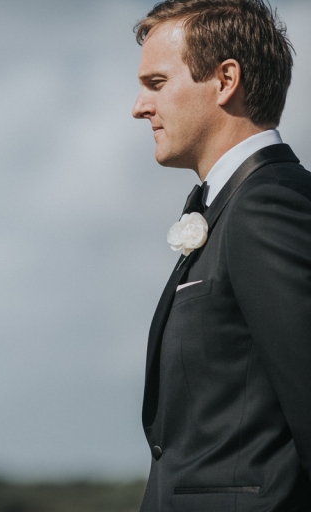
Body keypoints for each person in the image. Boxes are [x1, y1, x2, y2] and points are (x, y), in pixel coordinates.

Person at [131, 0, 309, 510]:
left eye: (157, 83)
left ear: (225, 79)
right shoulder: (229, 207)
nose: (139, 107)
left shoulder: (268, 206)